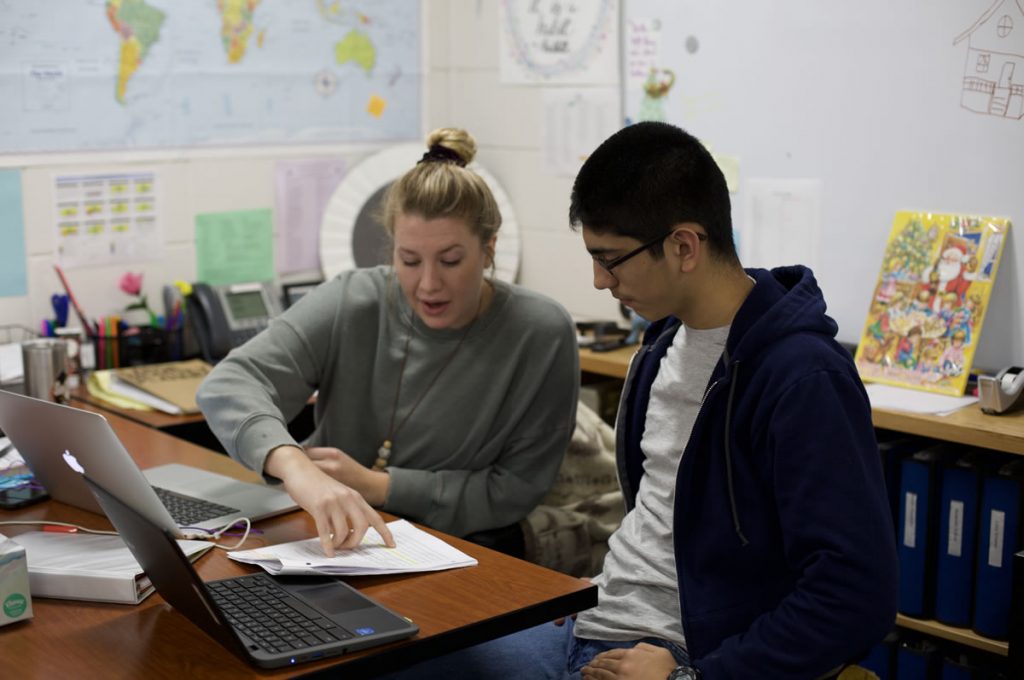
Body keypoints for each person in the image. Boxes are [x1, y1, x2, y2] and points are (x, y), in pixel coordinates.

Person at [383, 122, 898, 679]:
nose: (600, 281)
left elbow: (853, 595)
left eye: (612, 259)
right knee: (380, 657)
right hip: (588, 618)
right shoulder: (662, 345)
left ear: (683, 245)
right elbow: (660, 518)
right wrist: (609, 586)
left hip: (682, 655)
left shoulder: (802, 377)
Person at [196, 127, 579, 558]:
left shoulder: (541, 332)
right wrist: (295, 466)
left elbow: (515, 490)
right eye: (409, 260)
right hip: (333, 542)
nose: (429, 284)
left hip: (456, 551)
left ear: (489, 250)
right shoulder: (352, 299)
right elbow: (227, 383)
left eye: (451, 261)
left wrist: (377, 486)